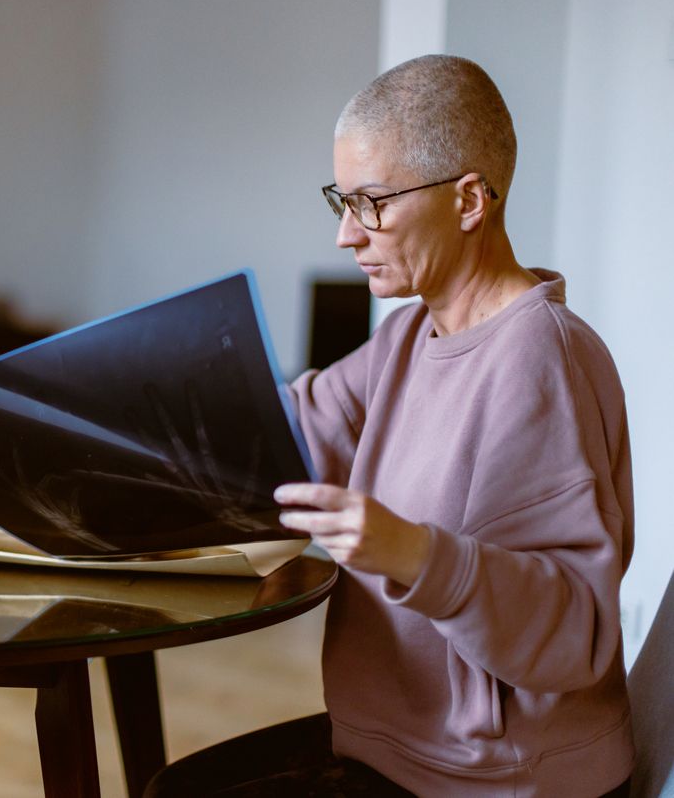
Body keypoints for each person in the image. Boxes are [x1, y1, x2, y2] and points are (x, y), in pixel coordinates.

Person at [147, 55, 634, 797]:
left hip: (498, 783)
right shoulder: (407, 338)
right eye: (339, 202)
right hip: (398, 751)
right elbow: (290, 434)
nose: (347, 235)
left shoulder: (542, 360)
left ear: (469, 200)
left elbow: (576, 633)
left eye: (370, 203)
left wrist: (411, 552)